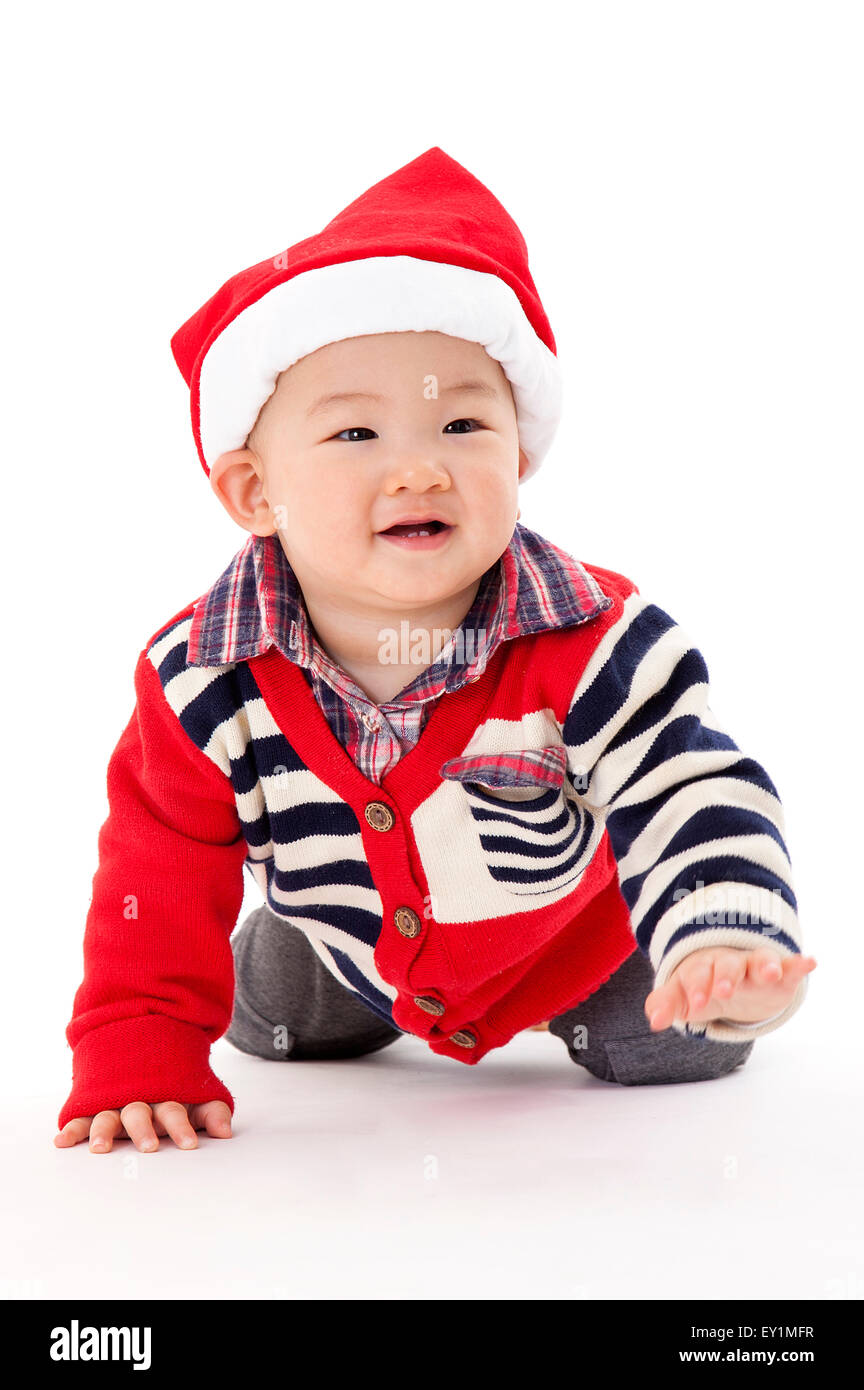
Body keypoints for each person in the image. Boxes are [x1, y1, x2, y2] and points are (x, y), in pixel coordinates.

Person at [54, 147, 815, 1154]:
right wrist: (138, 1045)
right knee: (270, 1021)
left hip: (570, 939)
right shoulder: (202, 677)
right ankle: (321, 963)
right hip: (346, 944)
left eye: (461, 422)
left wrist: (724, 927)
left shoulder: (591, 640)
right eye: (356, 435)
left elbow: (685, 780)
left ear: (518, 452)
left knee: (677, 1046)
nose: (419, 466)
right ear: (252, 492)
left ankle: (662, 966)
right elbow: (155, 862)